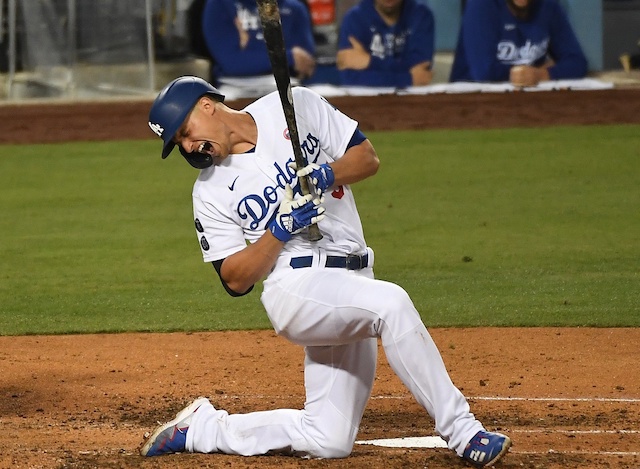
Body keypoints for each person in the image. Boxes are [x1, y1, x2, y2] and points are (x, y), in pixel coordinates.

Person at [141, 75, 512, 467]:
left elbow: (367, 159)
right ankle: (465, 432)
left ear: (207, 105)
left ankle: (203, 429)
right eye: (179, 144)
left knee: (329, 438)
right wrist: (278, 231)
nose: (188, 146)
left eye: (185, 132)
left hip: (351, 281)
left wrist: (325, 174)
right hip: (296, 288)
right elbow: (234, 279)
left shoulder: (294, 107)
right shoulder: (210, 192)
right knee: (391, 304)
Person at [449, 0, 588, 87]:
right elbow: (484, 72)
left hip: (525, 97)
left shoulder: (548, 6)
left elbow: (577, 62)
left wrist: (541, 74)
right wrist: (527, 74)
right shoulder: (482, 4)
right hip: (471, 97)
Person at [201, 0, 316, 95]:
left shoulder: (295, 9)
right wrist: (287, 56)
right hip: (234, 85)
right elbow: (231, 63)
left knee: (310, 99)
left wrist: (248, 48)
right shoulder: (219, 4)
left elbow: (305, 63)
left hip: (285, 83)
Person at [336, 0, 434, 87]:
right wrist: (407, 79)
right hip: (365, 103)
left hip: (411, 103)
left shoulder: (421, 16)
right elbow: (351, 79)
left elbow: (422, 70)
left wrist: (369, 62)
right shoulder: (354, 19)